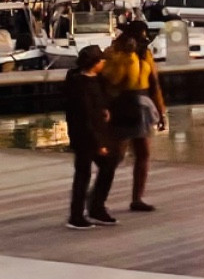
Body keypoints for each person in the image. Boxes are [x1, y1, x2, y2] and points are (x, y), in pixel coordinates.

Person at [98, 21, 165, 213]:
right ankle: (97, 199)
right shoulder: (113, 53)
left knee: (144, 153)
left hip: (143, 104)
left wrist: (161, 112)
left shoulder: (147, 55)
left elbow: (154, 84)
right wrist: (127, 56)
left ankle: (137, 198)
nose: (142, 41)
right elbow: (113, 79)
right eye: (139, 36)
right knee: (116, 156)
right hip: (122, 104)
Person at [63, 44, 118, 230]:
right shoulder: (79, 84)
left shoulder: (97, 80)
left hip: (99, 131)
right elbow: (85, 115)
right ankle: (77, 215)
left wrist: (105, 109)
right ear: (94, 63)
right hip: (85, 135)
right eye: (101, 60)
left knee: (108, 167)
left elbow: (102, 100)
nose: (104, 63)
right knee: (84, 173)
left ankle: (96, 207)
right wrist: (98, 143)